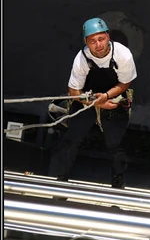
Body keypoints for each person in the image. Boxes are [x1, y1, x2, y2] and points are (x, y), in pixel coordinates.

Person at [48, 18, 137, 188]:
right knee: (72, 137)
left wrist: (106, 96)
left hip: (113, 96)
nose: (98, 44)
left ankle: (118, 184)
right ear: (86, 42)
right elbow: (74, 91)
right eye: (92, 41)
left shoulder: (123, 55)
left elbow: (125, 83)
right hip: (86, 97)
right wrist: (95, 103)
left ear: (108, 36)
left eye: (101, 39)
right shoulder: (81, 58)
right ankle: (61, 179)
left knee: (114, 143)